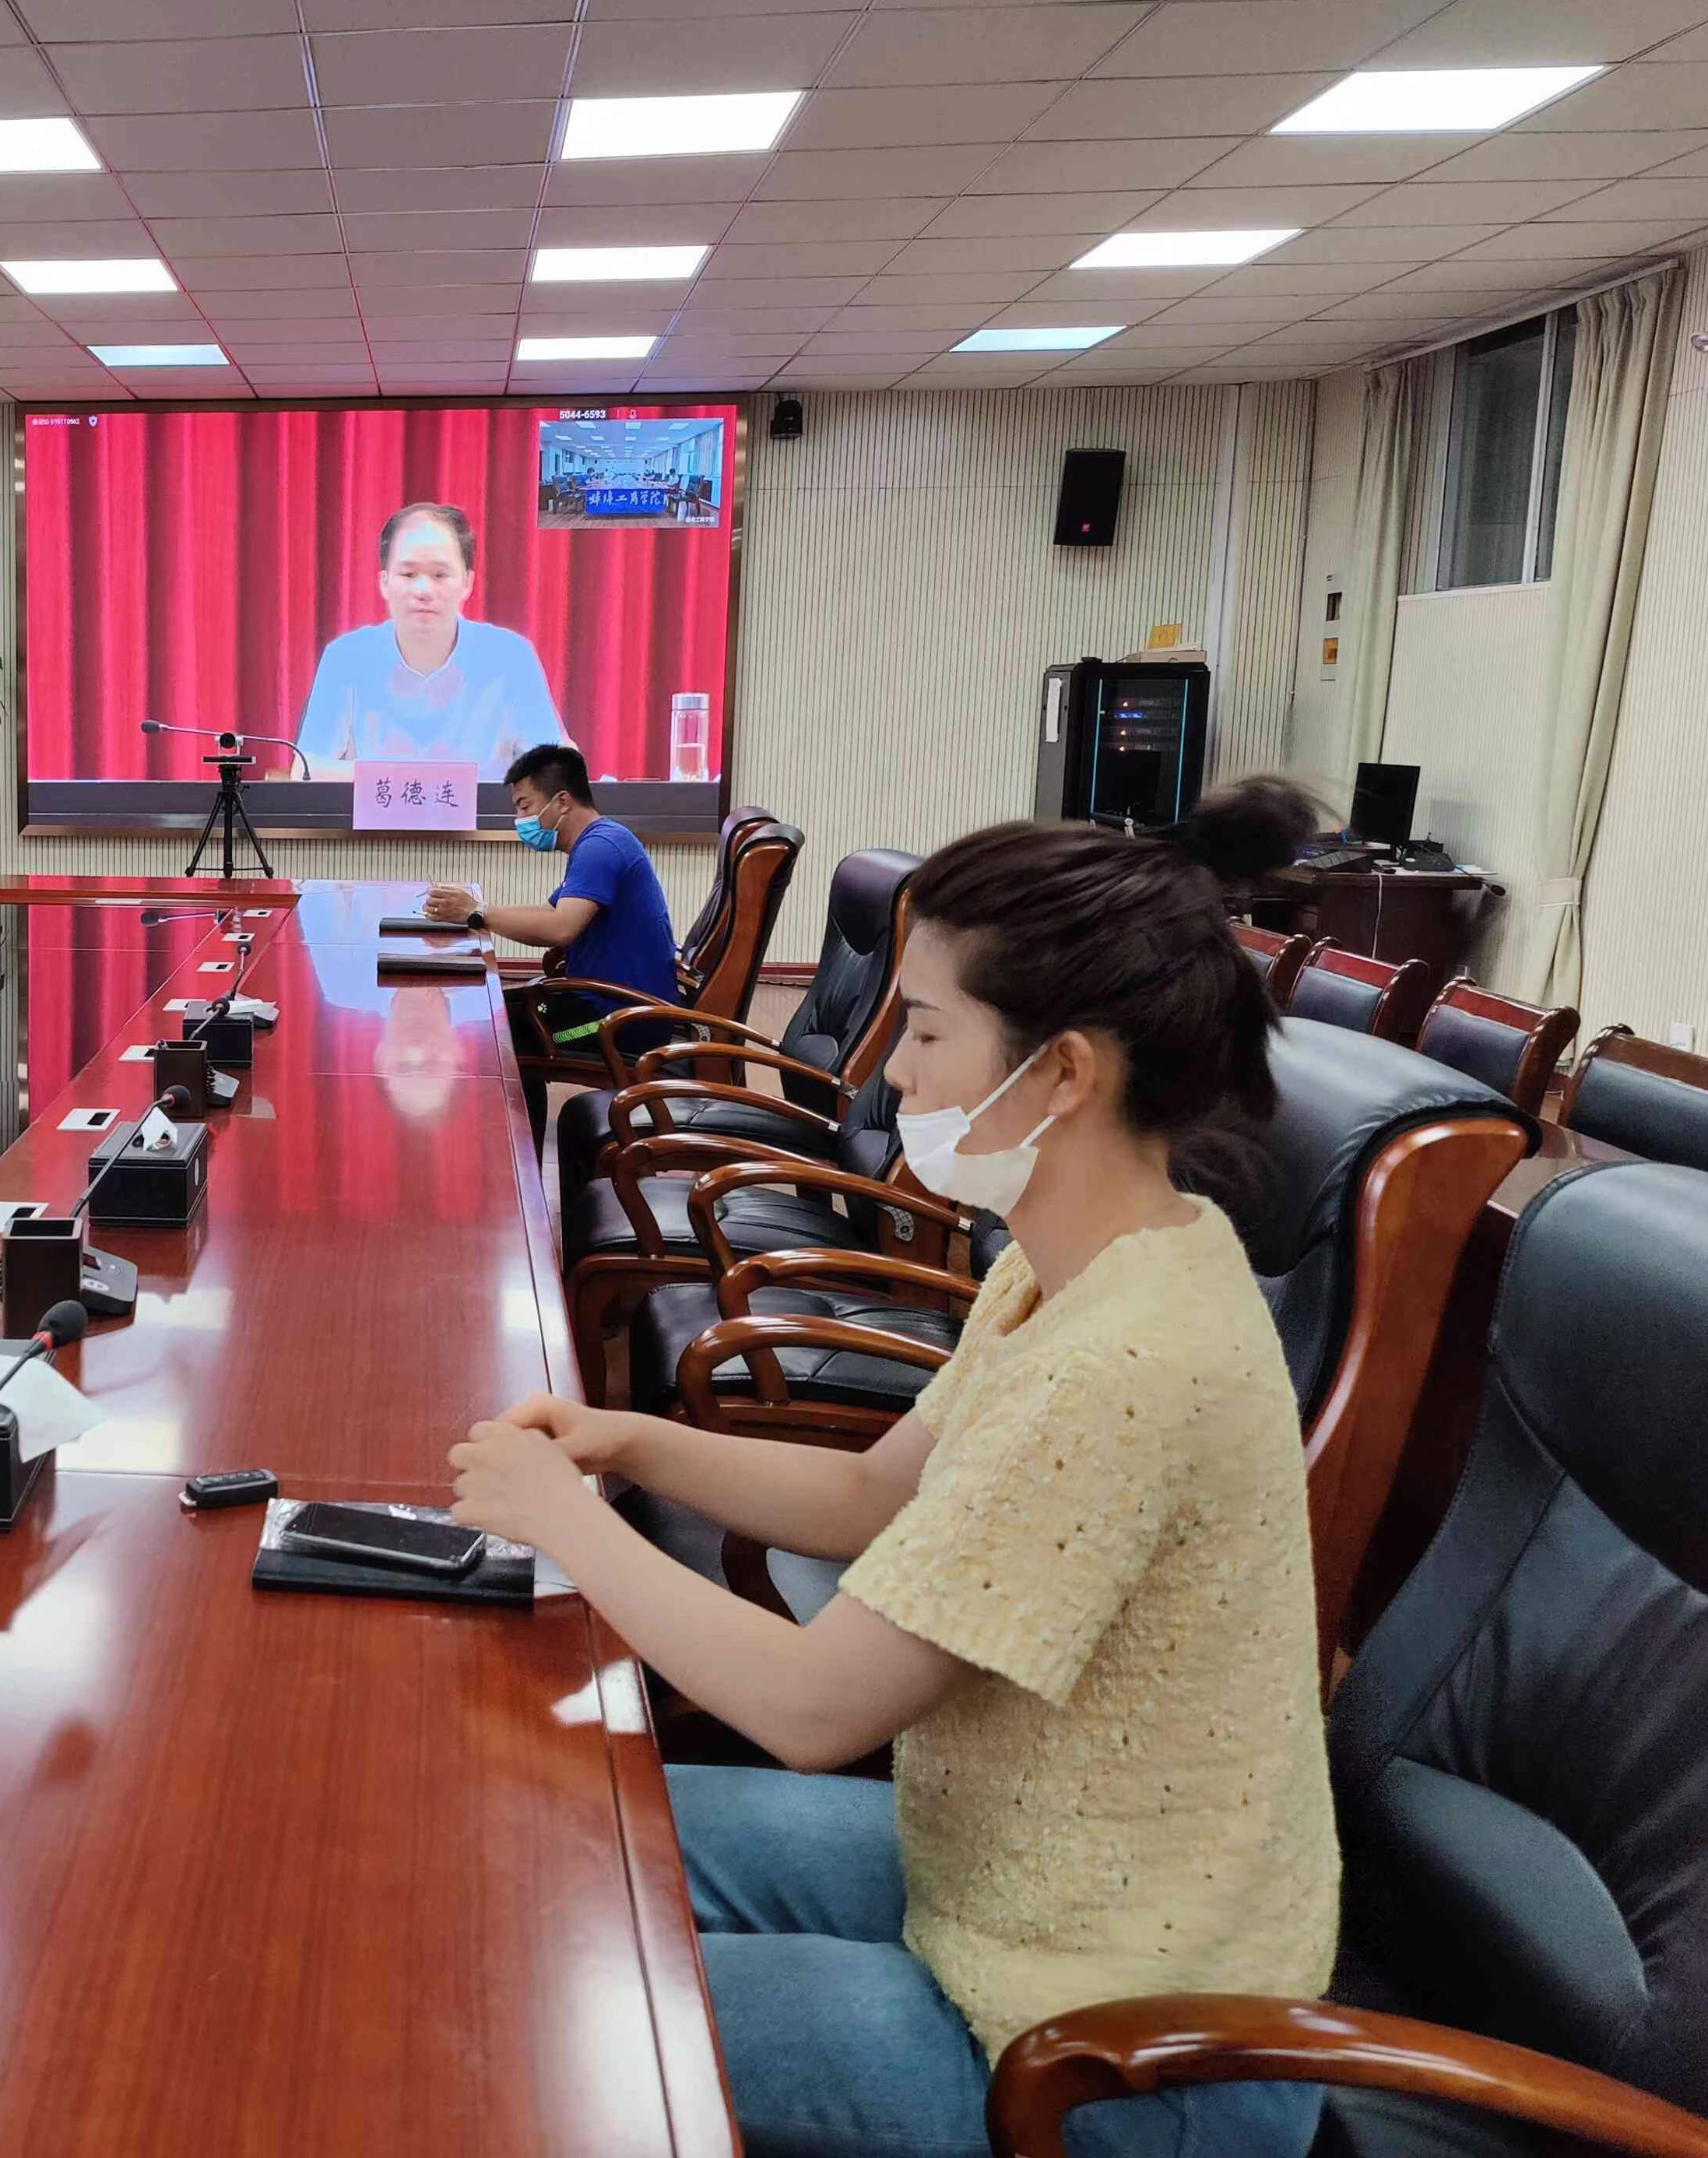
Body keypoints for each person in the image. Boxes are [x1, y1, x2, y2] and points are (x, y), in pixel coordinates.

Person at [445, 780, 1334, 2158]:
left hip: (1116, 2057)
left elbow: (813, 1710)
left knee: (535, 1991)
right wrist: (628, 1441)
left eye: (922, 1031)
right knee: (538, 1834)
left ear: (1064, 1072)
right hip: (1000, 1890)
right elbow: (871, 1496)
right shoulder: (1075, 1268)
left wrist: (568, 1519)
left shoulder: (1131, 1361)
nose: (892, 1075)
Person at [294, 501, 569, 780]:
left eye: (440, 575)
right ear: (384, 582)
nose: (423, 590)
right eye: (408, 574)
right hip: (377, 812)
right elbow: (306, 772)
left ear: (467, 582)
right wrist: (413, 780)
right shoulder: (347, 656)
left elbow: (552, 772)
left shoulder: (511, 656)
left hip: (487, 812)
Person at [418, 743, 678, 1004]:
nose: (519, 819)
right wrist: (475, 909)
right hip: (599, 1001)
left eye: (524, 806)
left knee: (486, 1015)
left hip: (614, 1017)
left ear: (562, 802)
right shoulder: (599, 840)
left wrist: (477, 912)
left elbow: (561, 928)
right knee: (496, 1005)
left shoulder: (600, 847)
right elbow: (549, 911)